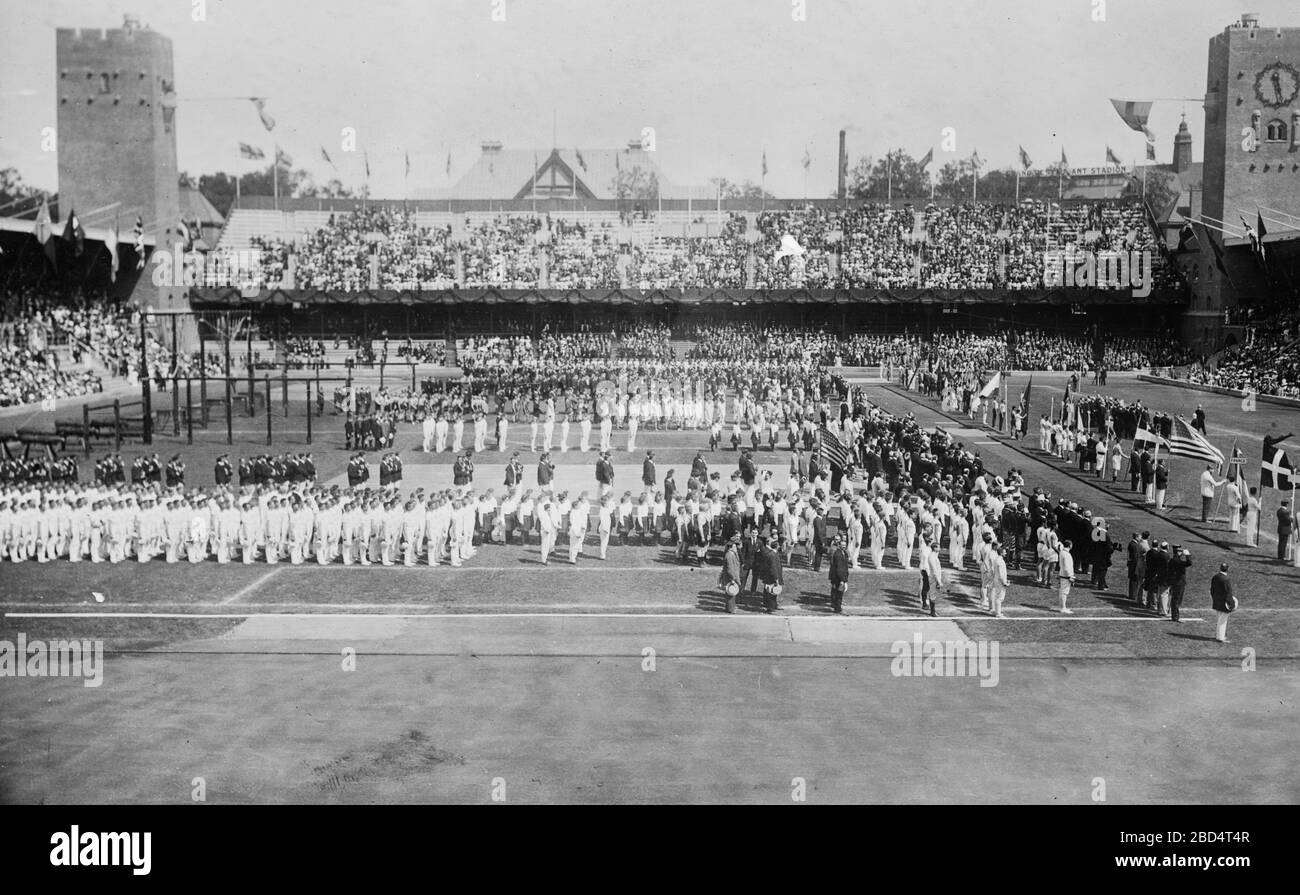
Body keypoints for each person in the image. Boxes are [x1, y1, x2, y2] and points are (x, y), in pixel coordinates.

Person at [1210, 562, 1235, 643]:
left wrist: (1214, 598)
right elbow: (1228, 593)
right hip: (1224, 603)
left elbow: (1212, 590)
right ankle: (1220, 637)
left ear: (1220, 568)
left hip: (1217, 601)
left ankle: (1218, 636)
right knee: (1223, 621)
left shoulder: (1215, 577)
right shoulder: (1226, 579)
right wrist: (1231, 604)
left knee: (1219, 620)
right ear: (1228, 569)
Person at [1167, 545, 1191, 623]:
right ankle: (1175, 617)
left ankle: (1174, 615)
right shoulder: (1177, 561)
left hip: (1176, 582)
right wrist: (1188, 555)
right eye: (1180, 551)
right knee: (1176, 600)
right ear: (1178, 552)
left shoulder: (1173, 560)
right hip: (1179, 582)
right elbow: (1189, 563)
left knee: (1176, 599)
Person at [720, 535, 744, 614]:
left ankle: (730, 607)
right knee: (730, 594)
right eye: (734, 546)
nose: (736, 548)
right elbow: (730, 568)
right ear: (730, 547)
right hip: (730, 578)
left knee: (732, 594)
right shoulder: (729, 555)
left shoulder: (731, 554)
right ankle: (730, 609)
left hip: (732, 577)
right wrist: (732, 579)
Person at [828, 534, 849, 614]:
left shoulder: (844, 553)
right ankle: (838, 608)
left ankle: (837, 607)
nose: (844, 546)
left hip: (841, 576)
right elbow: (839, 568)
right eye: (842, 545)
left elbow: (845, 567)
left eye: (845, 545)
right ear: (839, 545)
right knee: (839, 593)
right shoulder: (838, 554)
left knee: (839, 593)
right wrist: (842, 580)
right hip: (838, 577)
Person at [1056, 538, 1075, 614]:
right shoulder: (1066, 554)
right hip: (1066, 576)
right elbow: (1067, 567)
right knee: (1064, 592)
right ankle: (1063, 608)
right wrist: (1070, 576)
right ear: (1070, 545)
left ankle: (1063, 607)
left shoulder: (1062, 552)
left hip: (1063, 574)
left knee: (1063, 592)